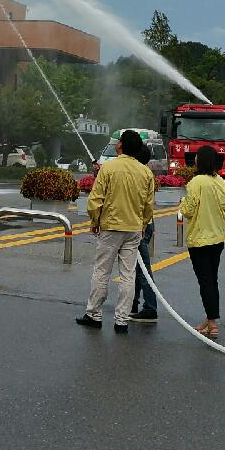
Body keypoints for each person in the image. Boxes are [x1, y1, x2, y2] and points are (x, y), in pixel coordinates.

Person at [76, 129, 155, 334]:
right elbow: (148, 205)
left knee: (102, 271)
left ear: (121, 145)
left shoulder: (109, 168)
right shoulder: (146, 172)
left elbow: (95, 199)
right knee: (128, 275)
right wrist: (142, 224)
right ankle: (122, 320)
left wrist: (95, 220)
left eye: (118, 140)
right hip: (134, 228)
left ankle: (94, 314)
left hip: (111, 227)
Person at [180, 144, 225, 341]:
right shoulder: (220, 181)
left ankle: (213, 324)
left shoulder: (196, 182)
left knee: (205, 282)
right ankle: (209, 321)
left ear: (200, 160)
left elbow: (188, 210)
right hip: (217, 238)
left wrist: (182, 203)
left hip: (200, 239)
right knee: (212, 280)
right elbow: (224, 205)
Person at [129, 142, 158, 324]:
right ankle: (133, 303)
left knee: (143, 269)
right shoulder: (146, 173)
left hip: (139, 225)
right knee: (137, 267)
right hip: (146, 224)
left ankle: (150, 307)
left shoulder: (138, 174)